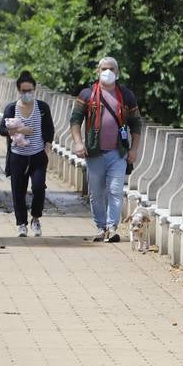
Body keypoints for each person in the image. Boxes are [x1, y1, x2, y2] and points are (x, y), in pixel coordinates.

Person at [69, 56, 143, 243]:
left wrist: (133, 149)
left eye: (111, 68)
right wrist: (78, 143)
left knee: (116, 190)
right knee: (96, 193)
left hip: (118, 153)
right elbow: (75, 120)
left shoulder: (126, 96)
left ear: (117, 72)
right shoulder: (87, 95)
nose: (107, 72)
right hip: (94, 153)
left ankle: (112, 227)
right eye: (104, 68)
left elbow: (136, 124)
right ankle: (101, 227)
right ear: (98, 71)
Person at [0, 71, 54, 238]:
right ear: (18, 90)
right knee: (18, 191)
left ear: (34, 89)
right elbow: (2, 129)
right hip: (17, 156)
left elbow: (49, 129)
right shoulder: (11, 108)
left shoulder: (42, 107)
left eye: (29, 90)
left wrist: (48, 145)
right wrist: (19, 130)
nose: (27, 94)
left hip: (37, 155)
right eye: (23, 91)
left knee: (38, 187)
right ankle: (21, 223)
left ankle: (35, 218)